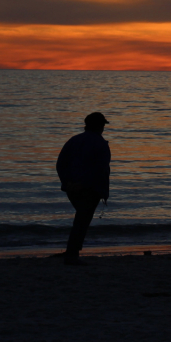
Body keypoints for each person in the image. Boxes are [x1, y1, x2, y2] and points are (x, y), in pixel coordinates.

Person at [55, 112, 111, 265]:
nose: (103, 128)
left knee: (81, 219)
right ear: (99, 126)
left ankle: (72, 251)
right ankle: (72, 254)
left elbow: (60, 164)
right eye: (103, 125)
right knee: (82, 220)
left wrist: (67, 183)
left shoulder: (74, 140)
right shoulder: (100, 143)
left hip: (72, 188)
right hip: (90, 189)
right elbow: (101, 169)